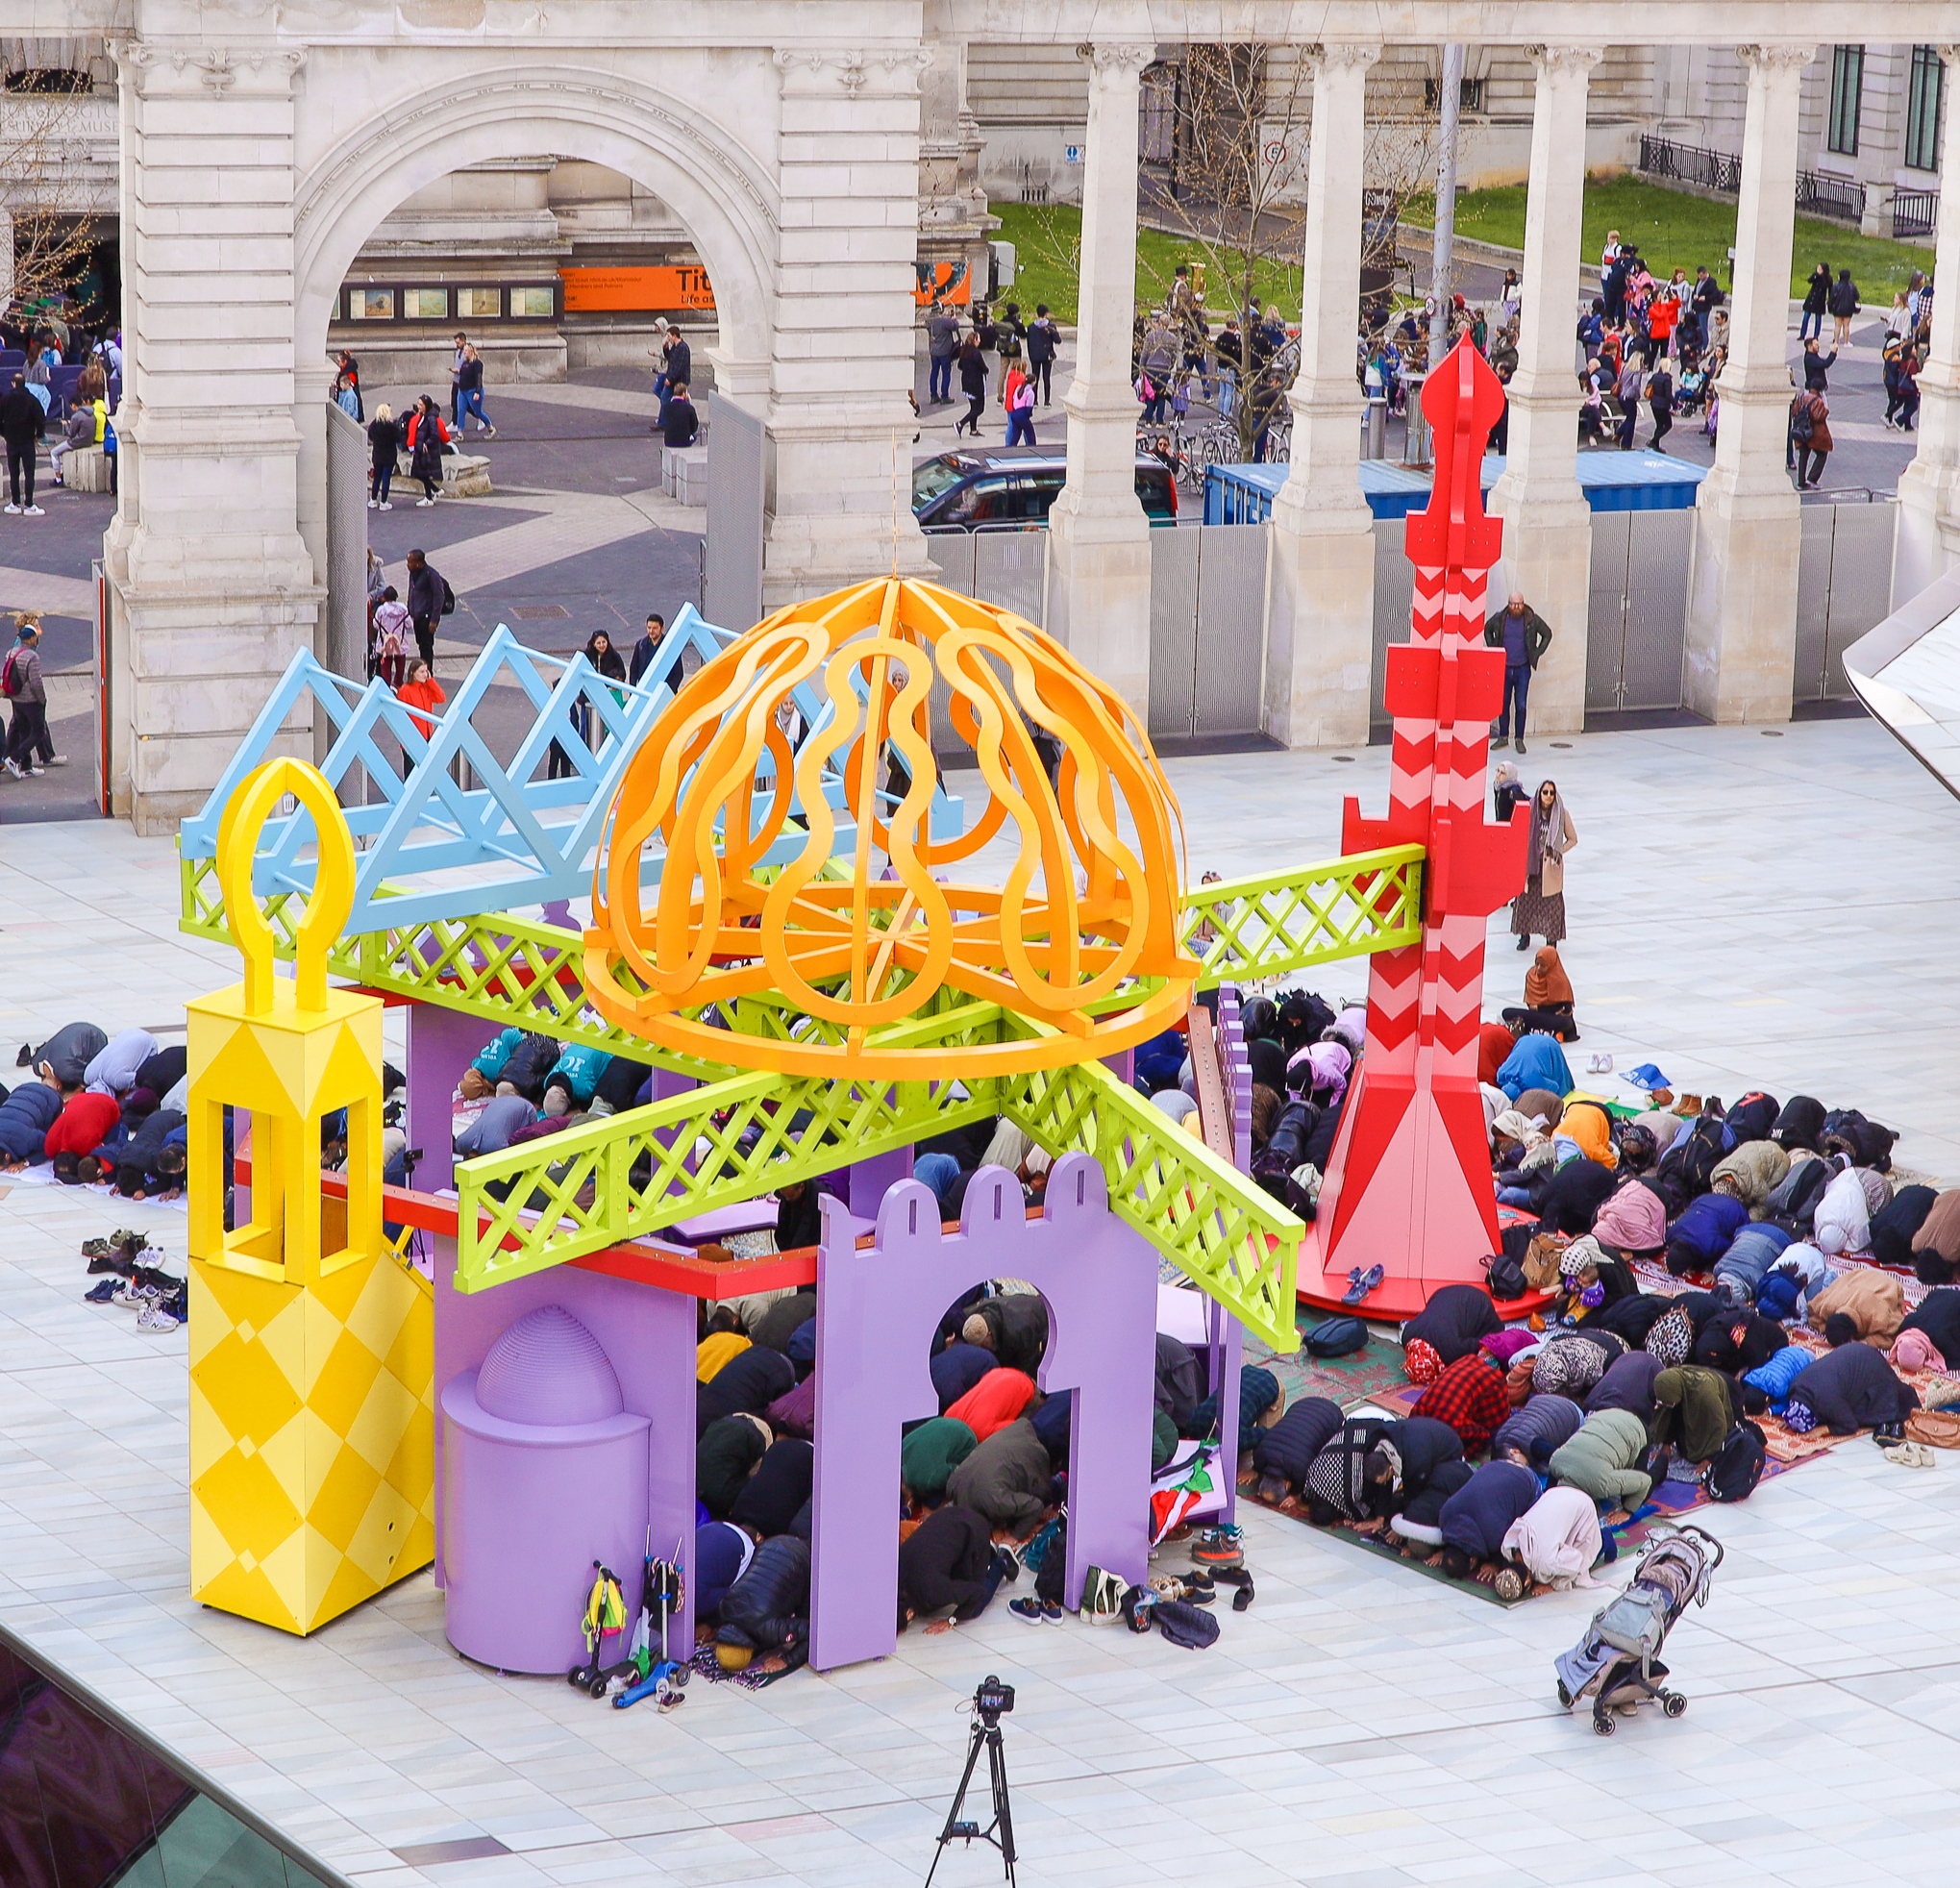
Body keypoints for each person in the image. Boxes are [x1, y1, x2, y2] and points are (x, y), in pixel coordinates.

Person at [1512, 778, 1575, 952]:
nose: (1548, 796)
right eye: (1545, 792)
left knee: (1552, 904)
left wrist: (1557, 851)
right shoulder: (1530, 811)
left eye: (1551, 793)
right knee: (1525, 901)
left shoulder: (1562, 813)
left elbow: (1573, 839)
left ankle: (1551, 941)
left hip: (1549, 867)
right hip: (1531, 864)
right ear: (1539, 793)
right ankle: (1524, 937)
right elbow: (1517, 834)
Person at [1482, 592, 1551, 755]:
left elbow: (1547, 634)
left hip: (1522, 669)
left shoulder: (1531, 620)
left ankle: (1519, 739)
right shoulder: (1500, 618)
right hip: (1504, 668)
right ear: (1509, 604)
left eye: (1519, 604)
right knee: (1503, 704)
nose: (1516, 607)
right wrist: (1494, 649)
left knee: (1521, 704)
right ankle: (1503, 737)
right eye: (1513, 604)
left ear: (1523, 604)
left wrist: (1536, 653)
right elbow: (1487, 629)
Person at [2, 615, 61, 778]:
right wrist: (42, 700)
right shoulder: (31, 657)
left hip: (15, 698)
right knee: (38, 732)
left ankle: (26, 767)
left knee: (23, 730)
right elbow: (36, 683)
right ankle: (15, 759)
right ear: (32, 638)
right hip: (30, 700)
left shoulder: (11, 652)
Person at [1502, 944, 1577, 1040]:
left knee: (1566, 1023)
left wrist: (1539, 1008)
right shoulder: (1531, 975)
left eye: (1543, 965)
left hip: (1551, 1018)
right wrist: (1538, 1009)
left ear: (1551, 965)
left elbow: (1566, 1010)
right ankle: (1544, 1031)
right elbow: (1530, 1004)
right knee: (1507, 1012)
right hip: (1535, 1016)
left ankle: (1536, 1029)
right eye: (1537, 964)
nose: (1538, 968)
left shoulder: (1559, 980)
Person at [0, 371, 44, 514]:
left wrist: (4, 433)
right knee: (29, 473)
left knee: (14, 473)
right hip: (27, 441)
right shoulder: (31, 400)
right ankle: (29, 504)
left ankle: (15, 503)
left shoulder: (5, 399)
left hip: (11, 441)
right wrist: (38, 435)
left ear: (13, 384)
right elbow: (40, 419)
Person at [404, 548, 446, 670]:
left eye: (410, 562)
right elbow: (411, 592)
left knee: (426, 646)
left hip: (426, 618)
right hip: (416, 616)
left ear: (418, 563)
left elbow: (439, 597)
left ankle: (427, 672)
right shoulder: (413, 574)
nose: (408, 565)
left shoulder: (432, 575)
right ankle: (423, 670)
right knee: (420, 644)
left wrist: (434, 620)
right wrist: (409, 610)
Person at [406, 397, 449, 506]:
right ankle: (434, 492)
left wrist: (426, 443)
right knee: (420, 473)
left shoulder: (430, 418)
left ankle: (429, 496)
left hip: (426, 451)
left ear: (426, 406)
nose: (418, 406)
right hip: (420, 449)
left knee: (422, 473)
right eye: (418, 404)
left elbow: (435, 434)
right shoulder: (423, 416)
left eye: (421, 405)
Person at [1790, 384, 1831, 490]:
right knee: (1822, 454)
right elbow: (1819, 416)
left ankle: (1801, 482)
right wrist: (1825, 410)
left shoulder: (1801, 398)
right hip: (1814, 433)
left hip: (1801, 431)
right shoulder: (1818, 401)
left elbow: (1794, 411)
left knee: (1803, 456)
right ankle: (1812, 479)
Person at [396, 658, 445, 740]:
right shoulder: (405, 690)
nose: (425, 675)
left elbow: (441, 698)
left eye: (426, 671)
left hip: (428, 735)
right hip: (412, 738)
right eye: (422, 672)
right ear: (412, 673)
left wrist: (431, 681)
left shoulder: (426, 687)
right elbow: (400, 715)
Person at [456, 342, 495, 437]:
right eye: (463, 350)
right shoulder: (465, 363)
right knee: (461, 410)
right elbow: (463, 374)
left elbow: (478, 378)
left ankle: (490, 427)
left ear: (471, 351)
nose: (464, 352)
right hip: (462, 390)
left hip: (472, 390)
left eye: (466, 350)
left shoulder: (477, 364)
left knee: (477, 412)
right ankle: (460, 433)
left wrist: (477, 392)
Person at [366, 402, 399, 510]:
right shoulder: (391, 426)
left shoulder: (374, 425)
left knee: (377, 479)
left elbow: (370, 436)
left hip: (377, 455)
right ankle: (384, 502)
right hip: (389, 456)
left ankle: (373, 500)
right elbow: (398, 438)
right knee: (386, 479)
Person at [927, 301, 959, 405]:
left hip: (933, 351)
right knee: (946, 373)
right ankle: (944, 396)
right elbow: (955, 326)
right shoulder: (944, 321)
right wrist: (954, 319)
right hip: (944, 351)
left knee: (934, 373)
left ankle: (933, 395)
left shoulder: (929, 321)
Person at [955, 332, 987, 437]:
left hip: (966, 383)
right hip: (976, 384)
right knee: (979, 408)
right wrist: (986, 370)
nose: (980, 341)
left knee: (973, 407)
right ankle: (960, 423)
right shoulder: (976, 353)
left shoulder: (964, 351)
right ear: (974, 340)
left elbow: (959, 366)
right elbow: (983, 368)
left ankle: (973, 430)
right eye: (978, 339)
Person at [1027, 304, 1059, 406]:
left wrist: (1031, 355)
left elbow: (1029, 342)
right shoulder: (1050, 326)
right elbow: (1058, 340)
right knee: (1046, 378)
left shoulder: (1031, 327)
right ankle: (1046, 401)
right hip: (1047, 355)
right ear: (1046, 314)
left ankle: (1035, 400)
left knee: (1034, 377)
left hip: (1035, 356)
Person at [628, 612, 665, 686]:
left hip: (662, 690)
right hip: (644, 689)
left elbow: (678, 673)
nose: (651, 631)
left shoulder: (669, 645)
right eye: (649, 628)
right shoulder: (640, 645)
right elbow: (634, 670)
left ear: (662, 629)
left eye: (655, 628)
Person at [1646, 356, 1674, 454]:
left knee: (1659, 424)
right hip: (1662, 405)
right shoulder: (1667, 379)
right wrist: (1675, 405)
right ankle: (1653, 440)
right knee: (1668, 425)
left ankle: (1656, 445)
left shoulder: (1655, 376)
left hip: (1654, 403)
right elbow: (1668, 395)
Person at [1004, 363, 1036, 446]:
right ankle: (1032, 448)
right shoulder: (1030, 392)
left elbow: (1014, 398)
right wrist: (1028, 415)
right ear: (1032, 382)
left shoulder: (1019, 387)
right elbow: (1029, 406)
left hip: (1014, 412)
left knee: (1016, 434)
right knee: (1030, 433)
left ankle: (1010, 448)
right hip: (1022, 414)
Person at [1828, 267, 1859, 349]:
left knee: (1837, 325)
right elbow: (1857, 297)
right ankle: (1846, 342)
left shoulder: (1836, 286)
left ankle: (1836, 342)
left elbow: (1831, 298)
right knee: (1846, 325)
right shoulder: (1852, 286)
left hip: (1837, 309)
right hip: (1848, 309)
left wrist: (1830, 307)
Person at [661, 381, 699, 449]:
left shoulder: (666, 407)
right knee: (694, 436)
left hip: (669, 441)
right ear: (684, 393)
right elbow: (694, 427)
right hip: (684, 441)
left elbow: (665, 422)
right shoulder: (689, 408)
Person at [1800, 262, 1830, 342]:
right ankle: (1802, 334)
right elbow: (1810, 280)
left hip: (1820, 300)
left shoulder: (1827, 279)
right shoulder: (1815, 276)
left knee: (1818, 318)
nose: (1818, 270)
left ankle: (1816, 336)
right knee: (1806, 316)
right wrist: (1816, 275)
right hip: (1812, 298)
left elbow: (1829, 288)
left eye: (1820, 269)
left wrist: (1829, 299)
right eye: (1818, 268)